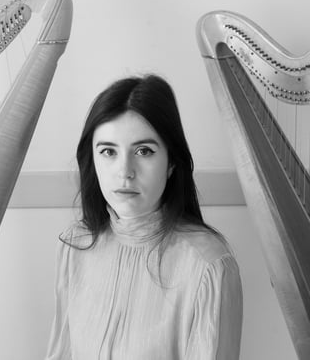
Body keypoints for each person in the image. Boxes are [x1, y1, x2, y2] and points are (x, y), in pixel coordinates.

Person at [45, 74, 242, 359]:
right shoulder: (75, 245)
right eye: (108, 151)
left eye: (143, 151)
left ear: (171, 162)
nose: (125, 171)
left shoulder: (208, 265)